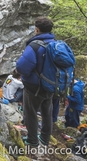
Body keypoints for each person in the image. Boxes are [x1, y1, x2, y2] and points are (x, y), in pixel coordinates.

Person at [16, 16, 56, 147]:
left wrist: (27, 75)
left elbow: (22, 67)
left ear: (37, 30)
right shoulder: (55, 44)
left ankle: (32, 140)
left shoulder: (34, 45)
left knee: (30, 112)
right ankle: (45, 138)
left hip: (35, 86)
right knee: (47, 112)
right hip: (51, 84)